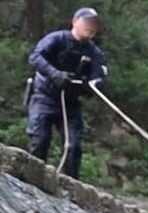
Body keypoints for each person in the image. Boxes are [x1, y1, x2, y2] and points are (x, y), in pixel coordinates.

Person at [26, 7, 107, 179]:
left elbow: (98, 77)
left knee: (73, 146)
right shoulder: (57, 39)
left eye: (94, 24)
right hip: (44, 98)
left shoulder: (95, 53)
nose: (90, 27)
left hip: (70, 104)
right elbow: (35, 57)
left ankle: (70, 189)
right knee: (40, 140)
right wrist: (54, 74)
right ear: (74, 22)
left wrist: (93, 85)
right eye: (87, 22)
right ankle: (32, 182)